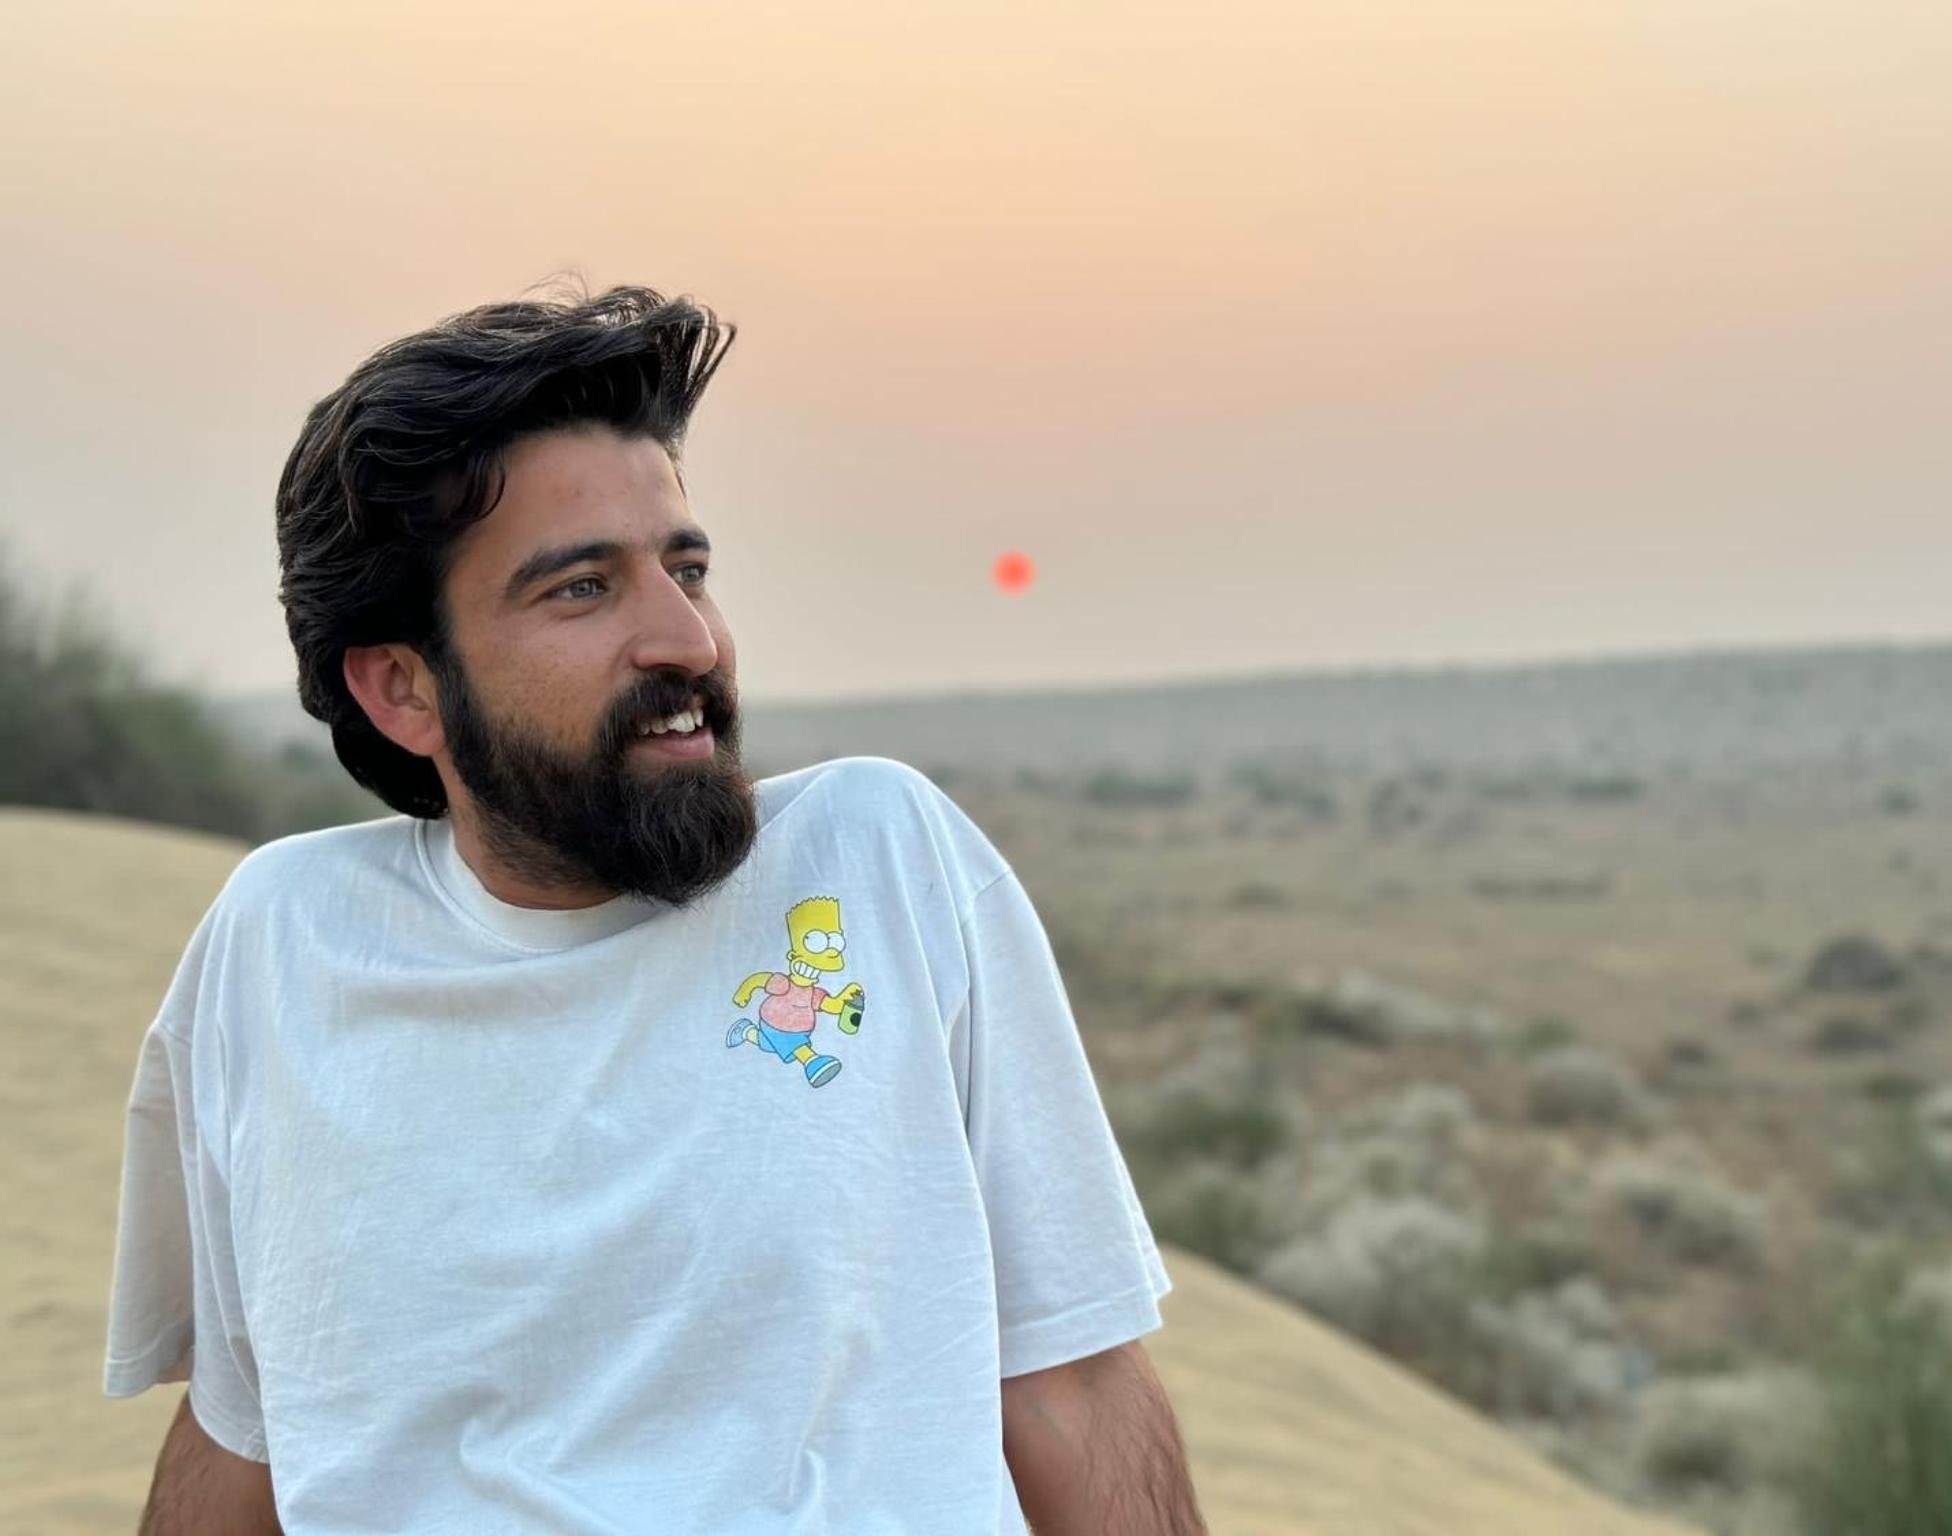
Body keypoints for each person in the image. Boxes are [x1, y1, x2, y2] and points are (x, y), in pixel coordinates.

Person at [100, 283, 1204, 1534]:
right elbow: (245, 1431)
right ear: (404, 689)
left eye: (687, 570)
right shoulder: (281, 942)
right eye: (582, 589)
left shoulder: (880, 859)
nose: (687, 639)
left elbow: (1072, 1384)